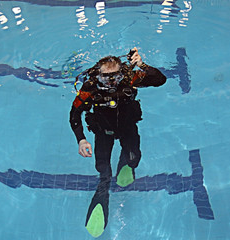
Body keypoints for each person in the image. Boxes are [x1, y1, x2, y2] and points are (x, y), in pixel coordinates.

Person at [69, 47, 166, 237]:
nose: (112, 82)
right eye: (106, 78)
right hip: (103, 132)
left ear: (122, 73)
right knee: (103, 169)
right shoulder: (90, 88)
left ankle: (126, 163)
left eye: (116, 77)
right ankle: (102, 191)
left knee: (134, 158)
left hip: (128, 128)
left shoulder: (130, 78)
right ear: (98, 76)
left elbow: (160, 80)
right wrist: (81, 140)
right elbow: (74, 114)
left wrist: (142, 64)